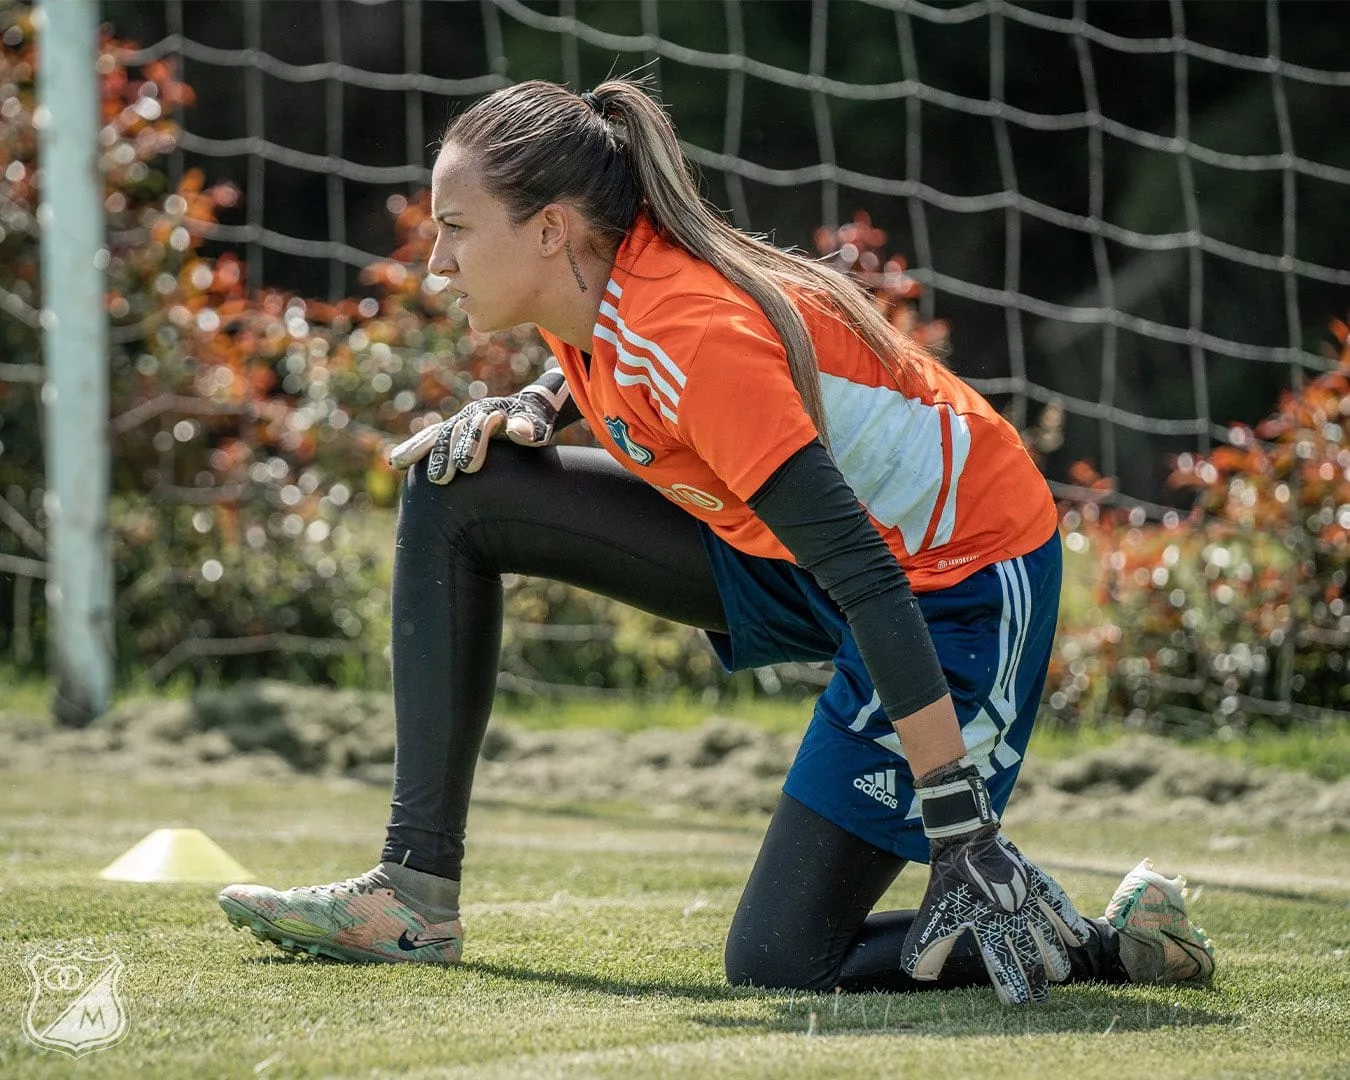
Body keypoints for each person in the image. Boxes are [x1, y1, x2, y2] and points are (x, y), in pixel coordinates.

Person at [219, 79, 1214, 1004]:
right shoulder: (589, 294)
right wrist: (531, 403)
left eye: (454, 229)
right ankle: (413, 899)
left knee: (782, 959)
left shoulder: (693, 335)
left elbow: (870, 576)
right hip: (809, 555)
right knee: (455, 485)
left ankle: (1105, 941)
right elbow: (611, 366)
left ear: (551, 228)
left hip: (959, 587)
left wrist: (958, 823)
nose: (435, 261)